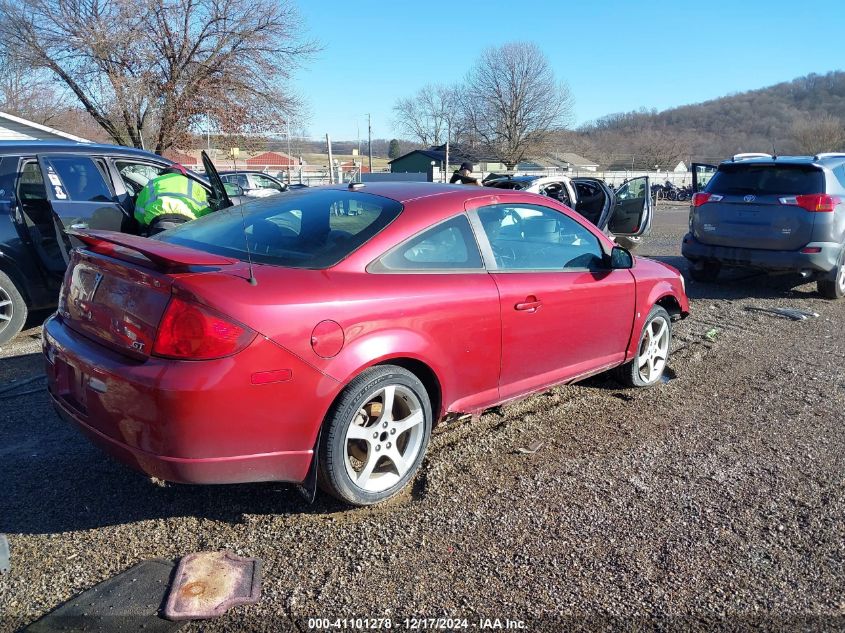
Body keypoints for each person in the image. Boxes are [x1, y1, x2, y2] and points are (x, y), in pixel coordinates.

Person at [134, 164, 213, 234]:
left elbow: (139, 213)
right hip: (188, 226)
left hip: (159, 224)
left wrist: (144, 223)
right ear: (183, 174)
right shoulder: (195, 185)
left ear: (165, 173)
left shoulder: (152, 183)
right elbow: (205, 213)